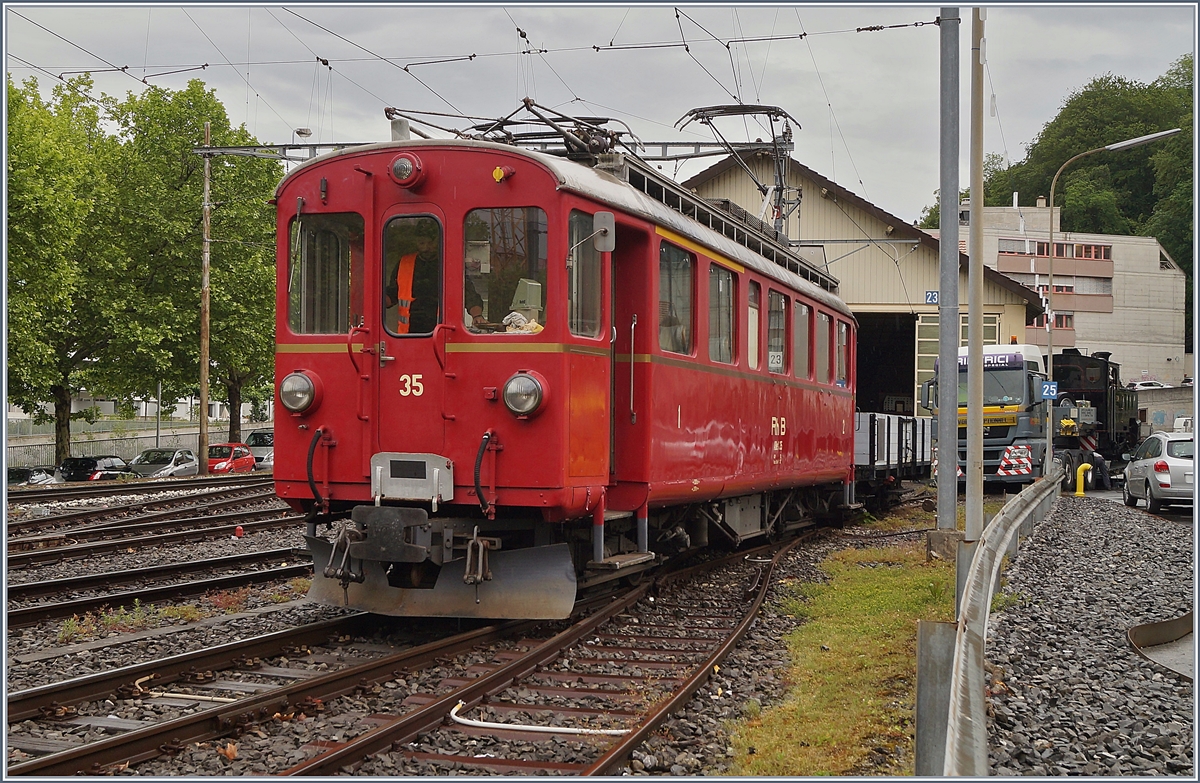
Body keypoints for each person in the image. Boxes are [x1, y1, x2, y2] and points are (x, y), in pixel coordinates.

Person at [385, 234, 484, 333]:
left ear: (438, 242)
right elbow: (392, 293)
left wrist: (477, 316)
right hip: (408, 336)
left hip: (444, 334)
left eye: (430, 243)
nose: (426, 248)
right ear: (416, 242)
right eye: (422, 243)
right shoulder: (404, 264)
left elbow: (468, 293)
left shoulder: (450, 264)